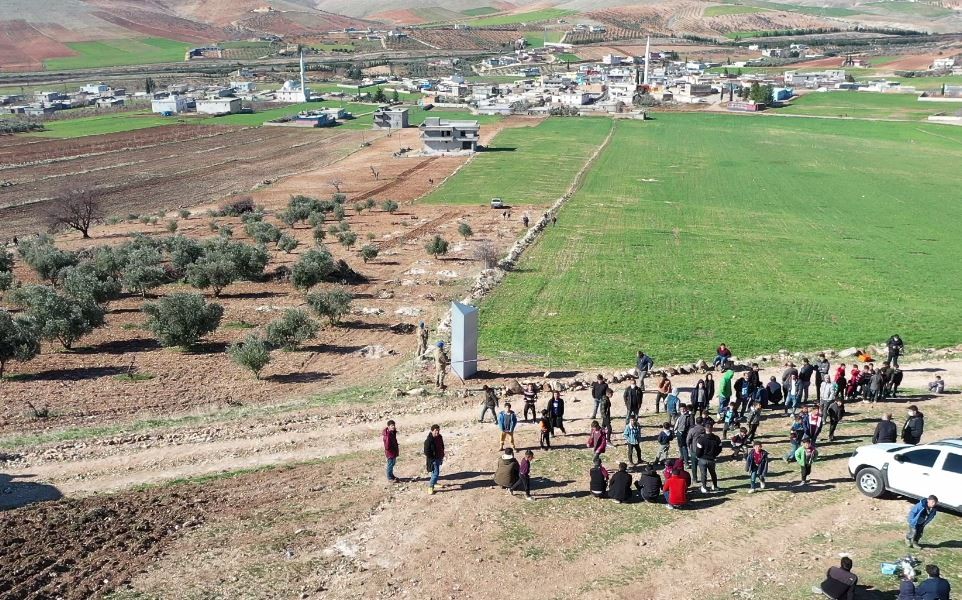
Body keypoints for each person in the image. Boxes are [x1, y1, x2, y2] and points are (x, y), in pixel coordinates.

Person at [695, 424, 723, 493]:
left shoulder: (701, 439)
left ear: (705, 429)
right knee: (713, 473)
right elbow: (720, 448)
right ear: (712, 429)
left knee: (703, 474)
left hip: (702, 459)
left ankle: (704, 487)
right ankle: (715, 486)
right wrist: (715, 455)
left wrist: (698, 456)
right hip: (712, 459)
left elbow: (698, 451)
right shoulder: (716, 438)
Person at [423, 424, 444, 494]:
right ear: (432, 431)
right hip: (433, 459)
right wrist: (433, 458)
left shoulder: (440, 437)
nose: (437, 432)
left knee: (434, 472)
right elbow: (426, 451)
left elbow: (442, 446)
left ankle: (435, 483)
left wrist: (442, 455)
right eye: (435, 431)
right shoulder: (428, 440)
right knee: (436, 473)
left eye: (438, 430)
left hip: (439, 457)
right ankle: (430, 486)